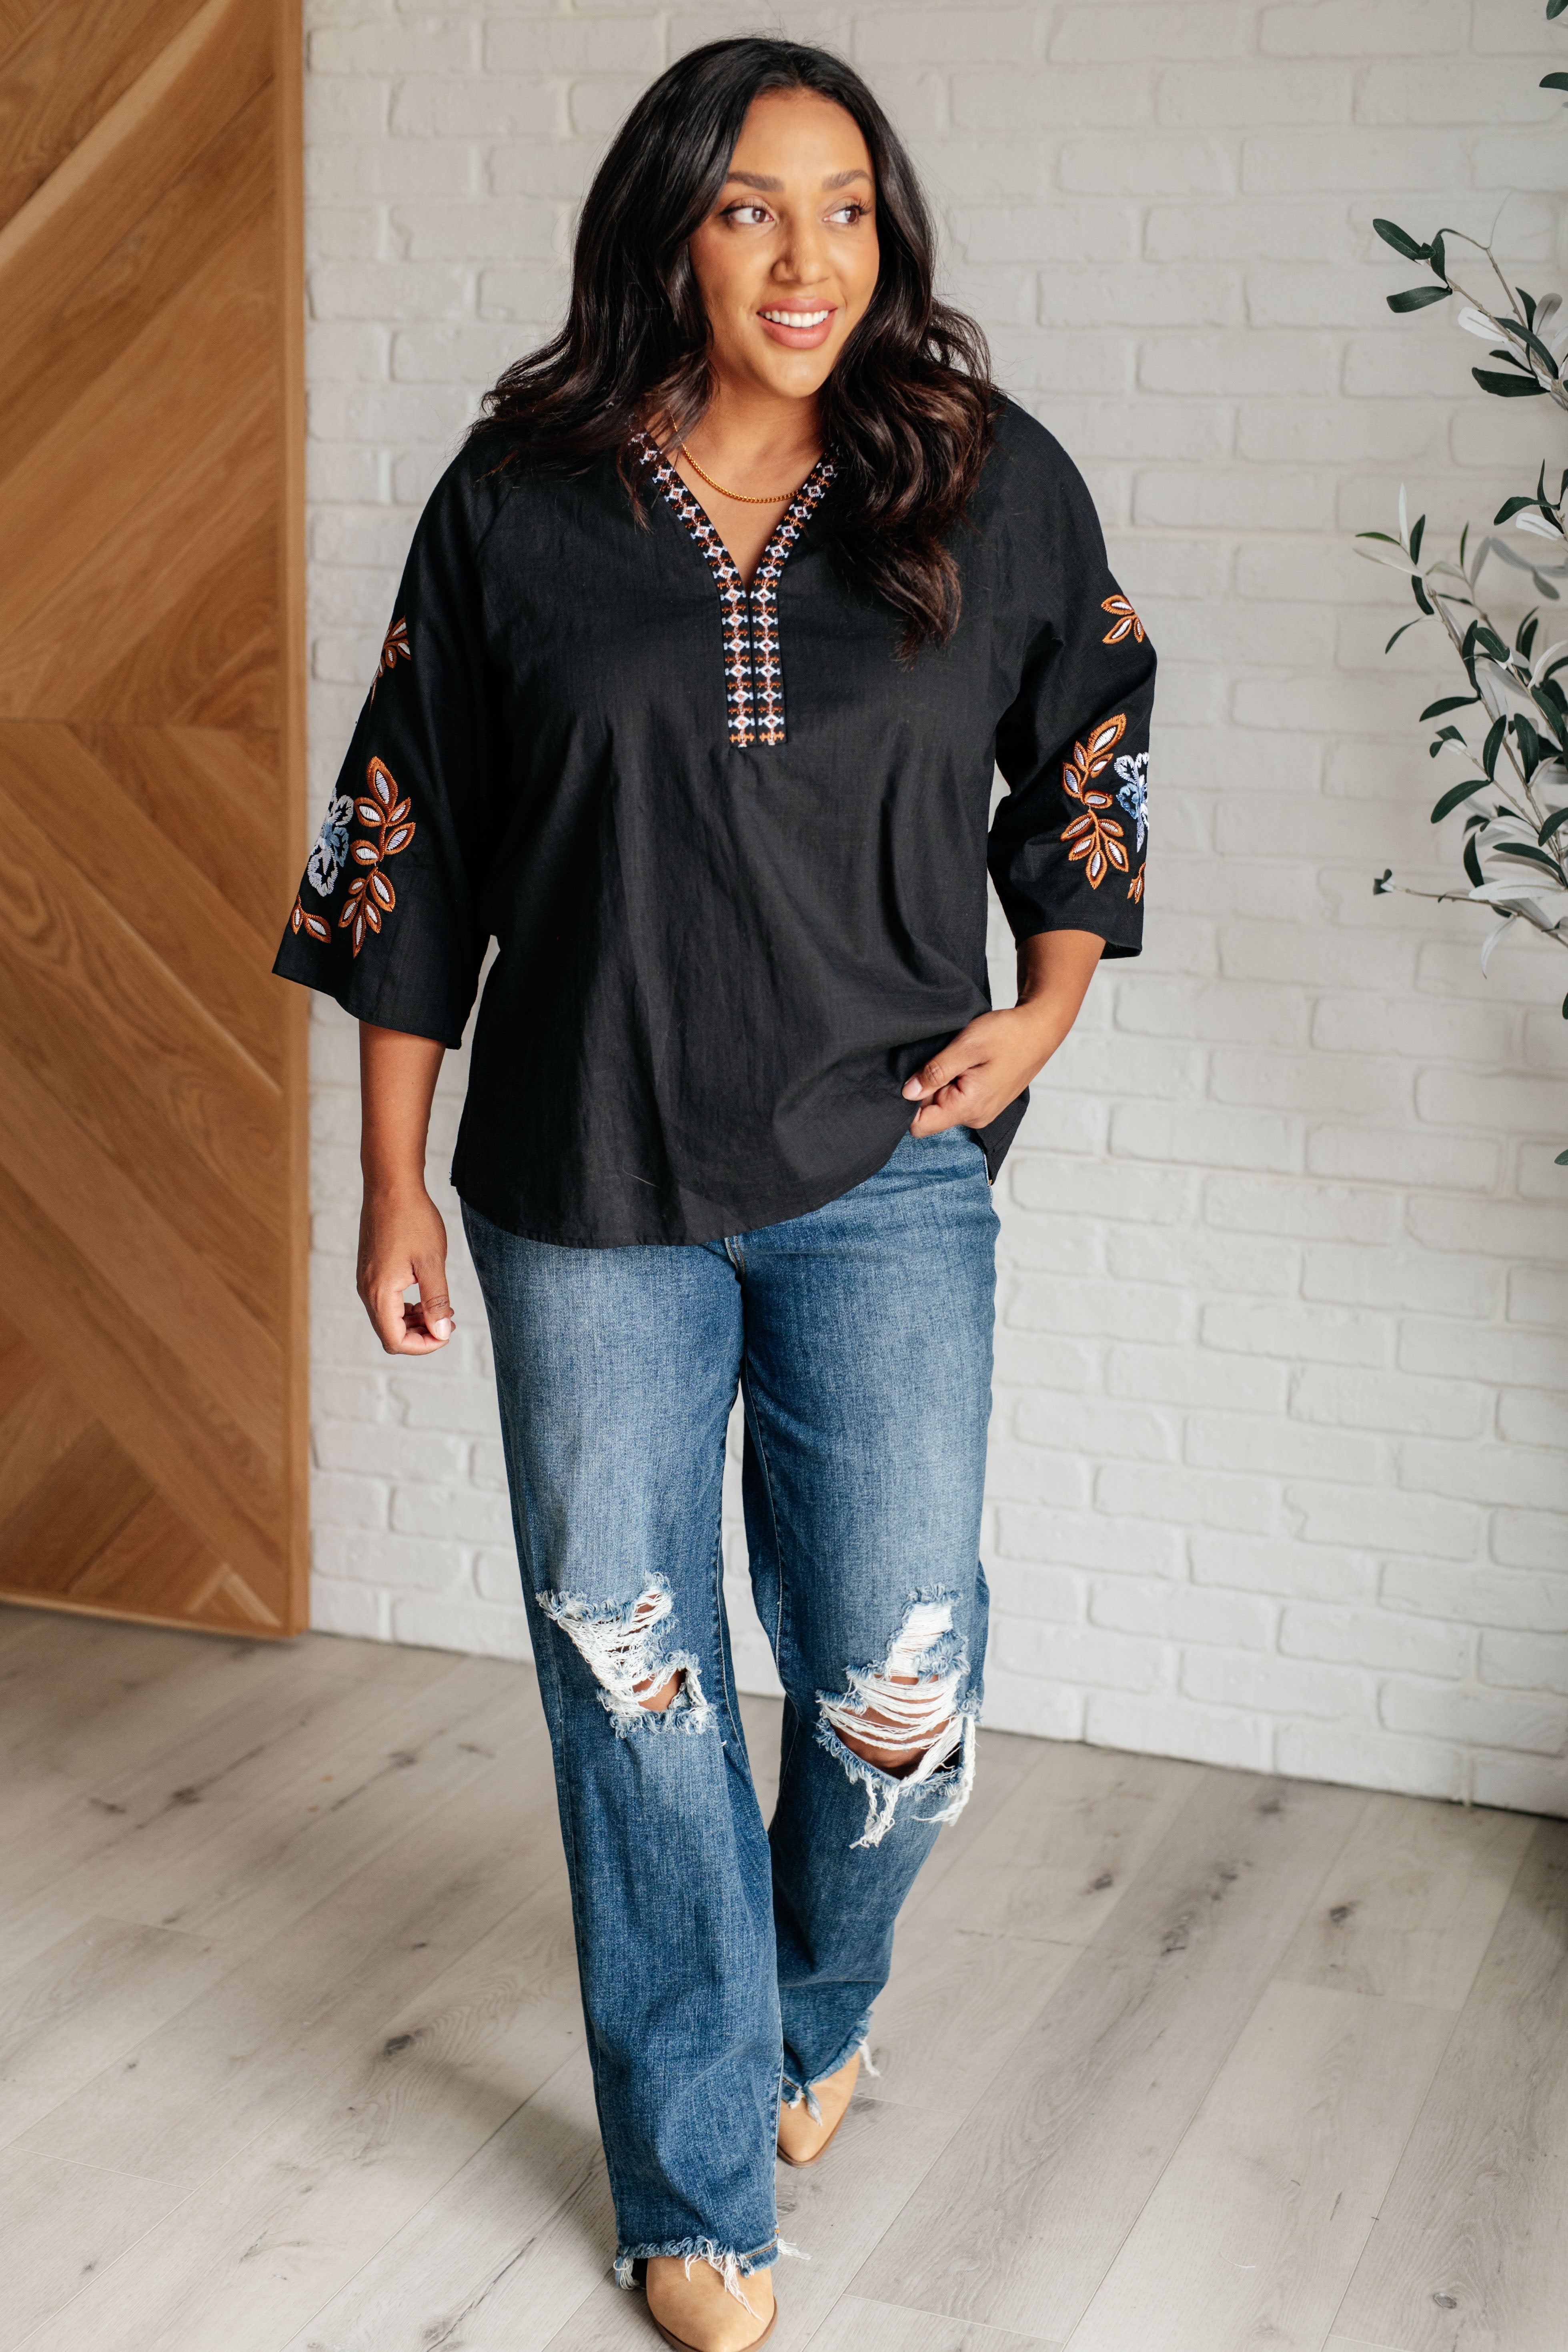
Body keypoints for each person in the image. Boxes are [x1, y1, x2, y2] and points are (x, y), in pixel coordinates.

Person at [274, 36, 1154, 2352]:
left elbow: (1086, 734)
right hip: (580, 1175)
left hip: (887, 1161)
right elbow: (413, 841)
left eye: (848, 207)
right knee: (630, 1672)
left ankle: (818, 1989)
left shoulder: (981, 477)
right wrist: (387, 1179)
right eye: (756, 206)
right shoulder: (522, 500)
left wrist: (1049, 1006)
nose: (808, 257)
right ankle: (694, 2176)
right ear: (670, 220)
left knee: (900, 1659)